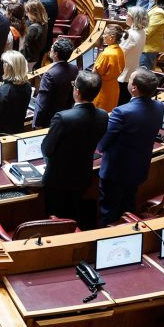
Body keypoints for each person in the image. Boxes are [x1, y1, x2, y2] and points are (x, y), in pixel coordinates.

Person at [97, 68, 164, 225]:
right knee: (128, 205)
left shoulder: (121, 112)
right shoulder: (159, 107)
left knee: (109, 211)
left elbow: (104, 143)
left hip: (115, 171)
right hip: (139, 167)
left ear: (134, 88)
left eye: (130, 80)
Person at [42, 70, 107, 229]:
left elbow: (47, 149)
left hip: (57, 180)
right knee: (73, 214)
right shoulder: (103, 115)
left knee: (55, 220)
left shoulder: (63, 117)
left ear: (76, 91)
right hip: (82, 176)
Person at [0, 52, 31, 137]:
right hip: (17, 131)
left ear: (9, 67)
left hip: (0, 135)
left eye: (4, 63)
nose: (3, 65)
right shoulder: (27, 86)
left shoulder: (4, 91)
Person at [33, 38, 78, 128]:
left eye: (52, 47)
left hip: (49, 119)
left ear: (56, 54)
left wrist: (37, 124)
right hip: (66, 113)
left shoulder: (49, 75)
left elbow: (43, 102)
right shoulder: (74, 68)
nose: (51, 48)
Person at [92, 24, 126, 113]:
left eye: (105, 34)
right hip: (113, 88)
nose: (103, 36)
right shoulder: (120, 51)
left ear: (112, 38)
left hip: (102, 90)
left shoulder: (106, 54)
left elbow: (94, 73)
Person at [117, 7, 146, 104]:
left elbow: (119, 54)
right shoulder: (142, 31)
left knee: (118, 102)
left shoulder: (130, 34)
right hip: (132, 71)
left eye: (128, 15)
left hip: (123, 74)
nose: (125, 16)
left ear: (134, 18)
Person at [140, 0, 164, 70]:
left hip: (148, 48)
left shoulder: (159, 12)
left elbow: (147, 32)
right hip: (145, 45)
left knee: (142, 74)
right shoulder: (157, 7)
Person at [20, 0, 50, 70]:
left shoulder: (33, 28)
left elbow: (24, 43)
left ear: (34, 13)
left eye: (28, 12)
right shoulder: (44, 22)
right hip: (35, 55)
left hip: (28, 58)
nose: (26, 15)